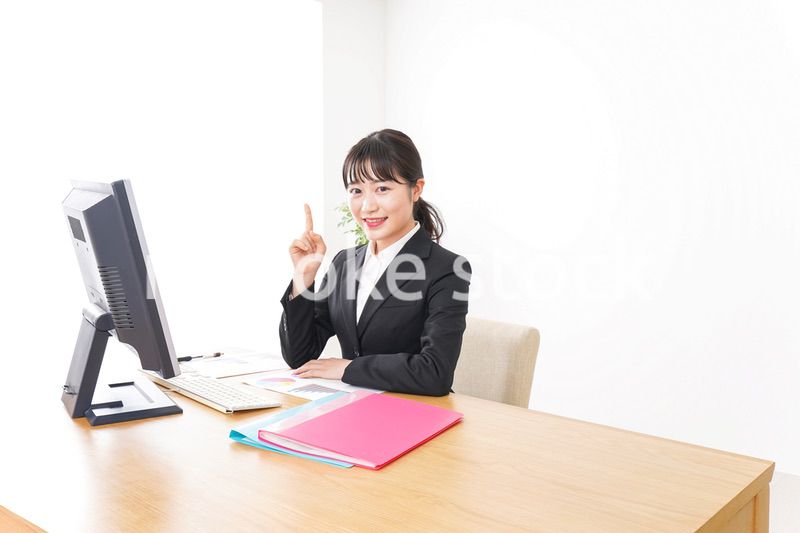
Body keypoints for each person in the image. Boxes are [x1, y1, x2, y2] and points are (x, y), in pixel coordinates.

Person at [279, 129, 471, 396]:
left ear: (415, 190)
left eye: (382, 188)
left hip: (413, 415)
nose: (367, 206)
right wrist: (304, 277)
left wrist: (348, 368)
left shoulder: (447, 269)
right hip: (351, 409)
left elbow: (435, 372)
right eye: (356, 190)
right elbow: (299, 356)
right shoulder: (344, 263)